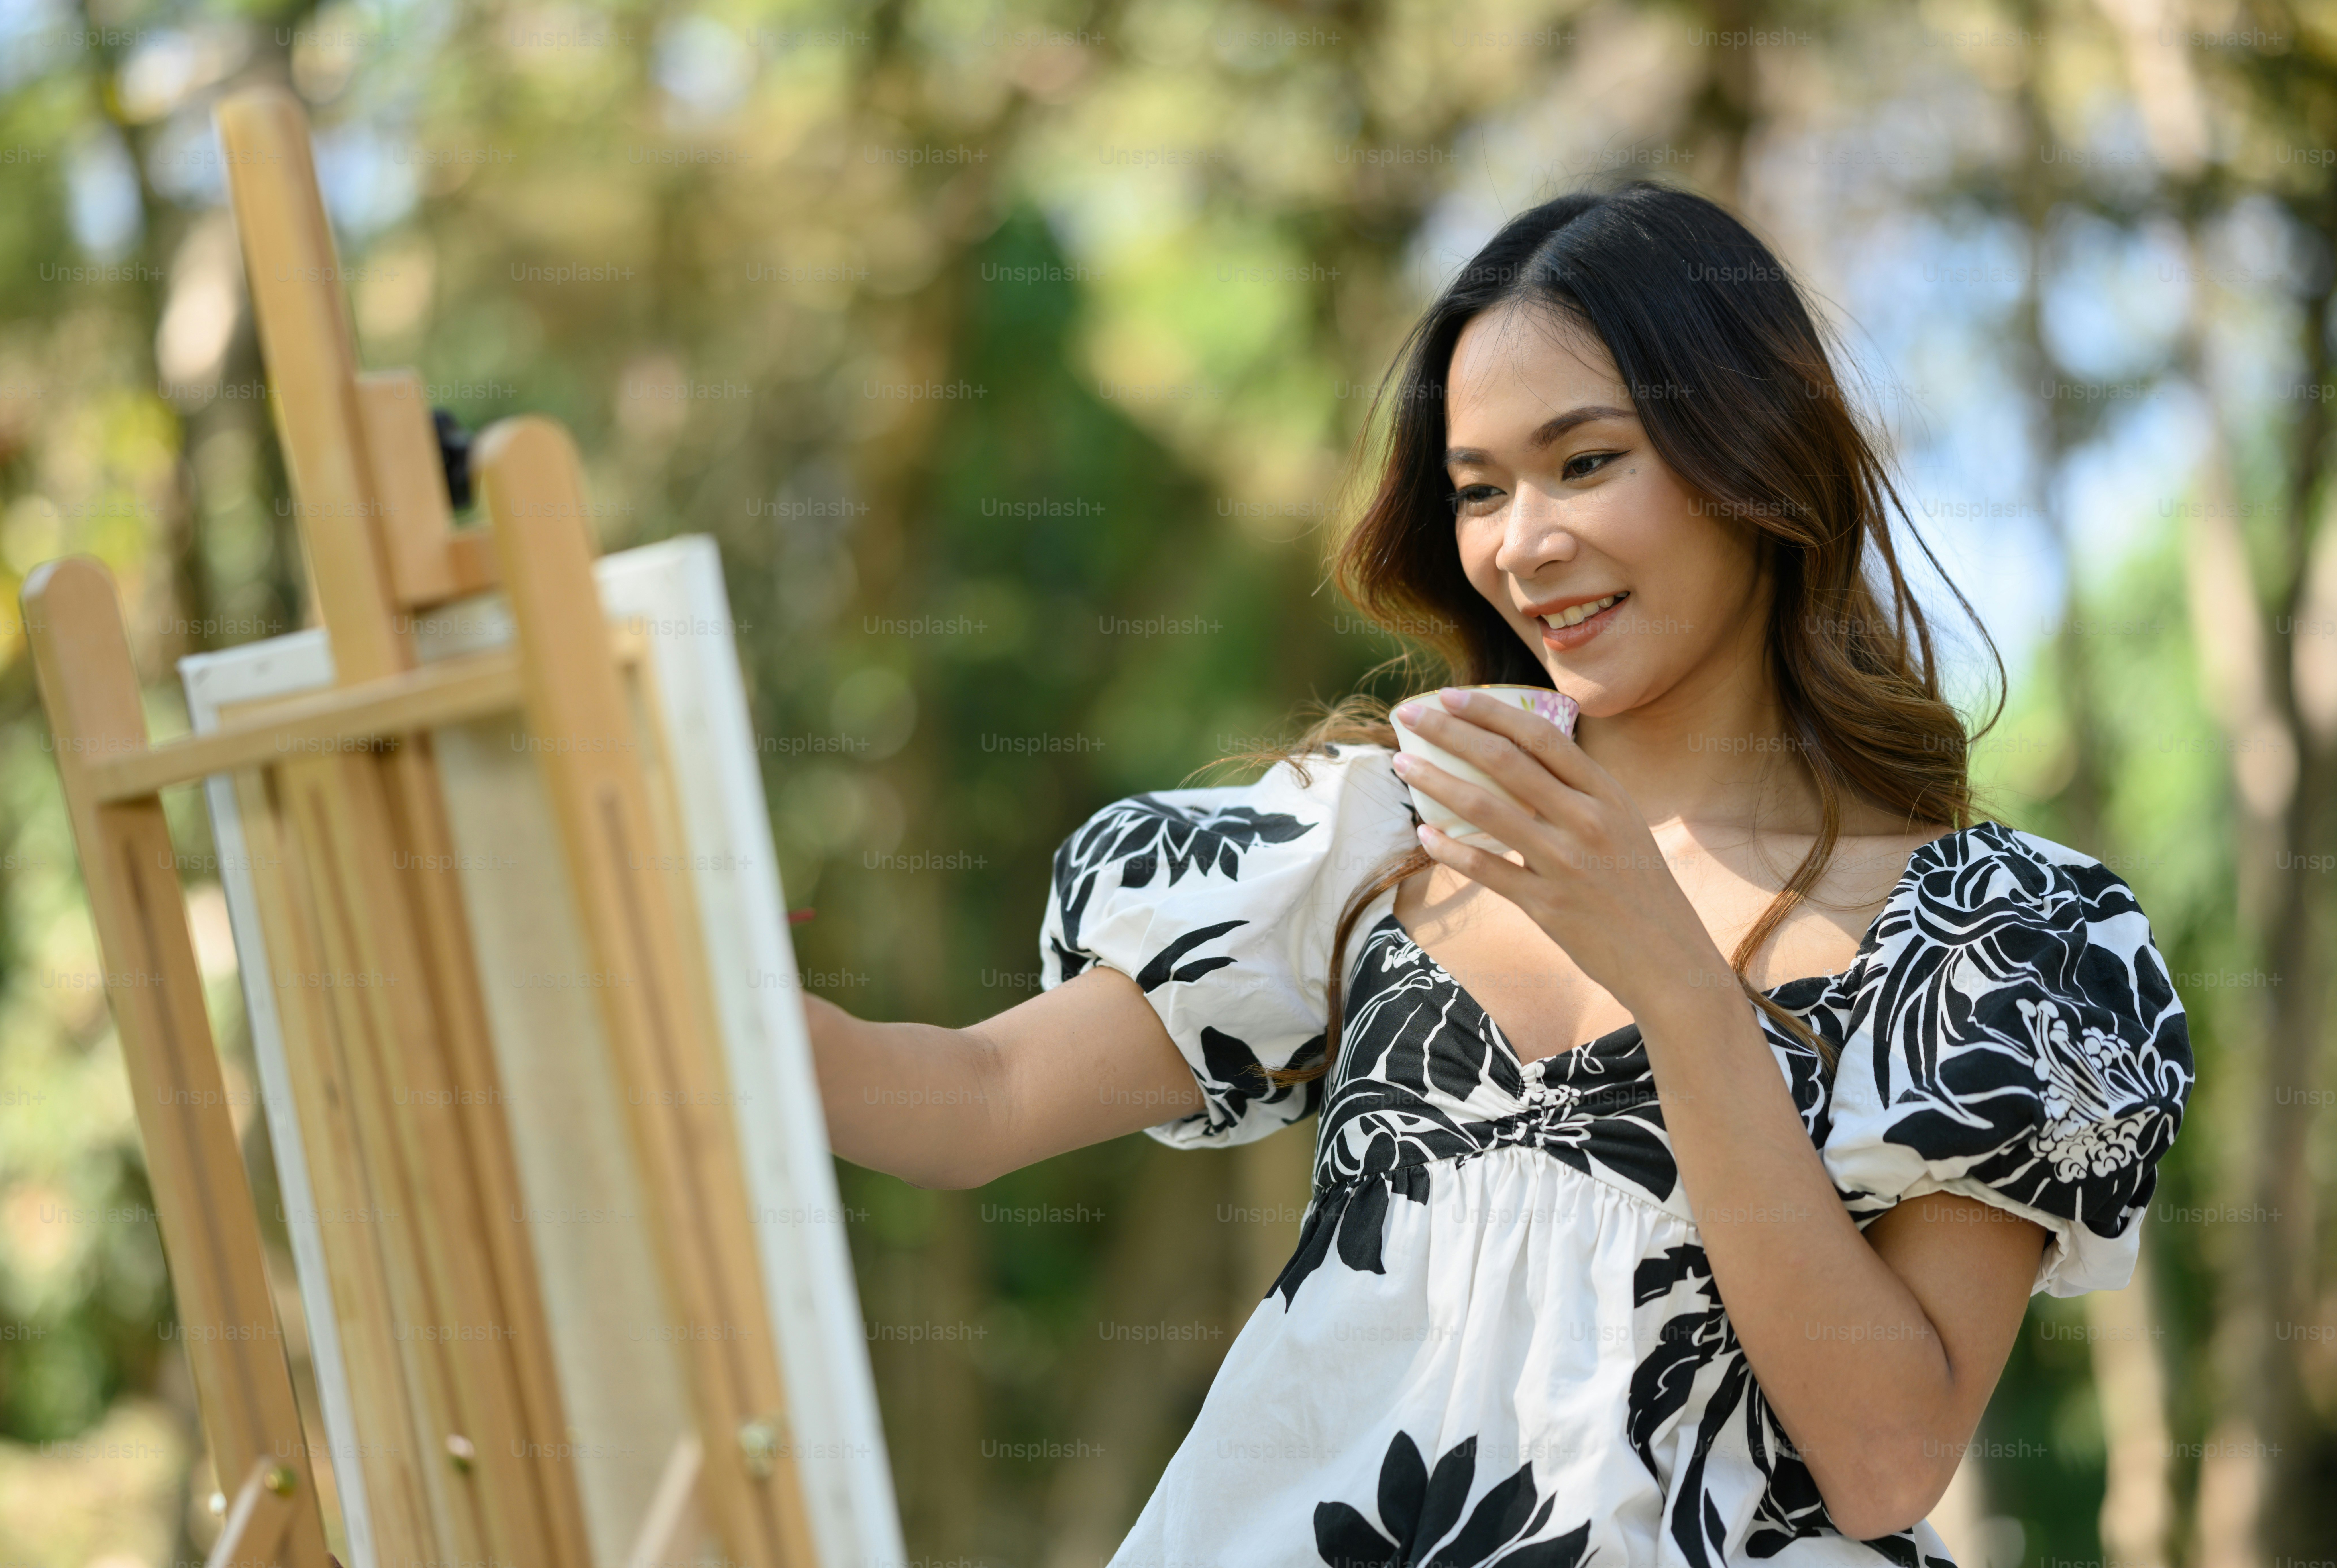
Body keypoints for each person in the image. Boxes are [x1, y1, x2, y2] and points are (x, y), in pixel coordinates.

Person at [804, 181, 2194, 1564]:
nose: (1522, 544)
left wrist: (1669, 971)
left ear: (1754, 456)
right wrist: (664, 955)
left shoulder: (1998, 936)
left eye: (1587, 462)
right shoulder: (1372, 842)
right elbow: (970, 1097)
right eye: (1480, 490)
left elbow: (1888, 1457)